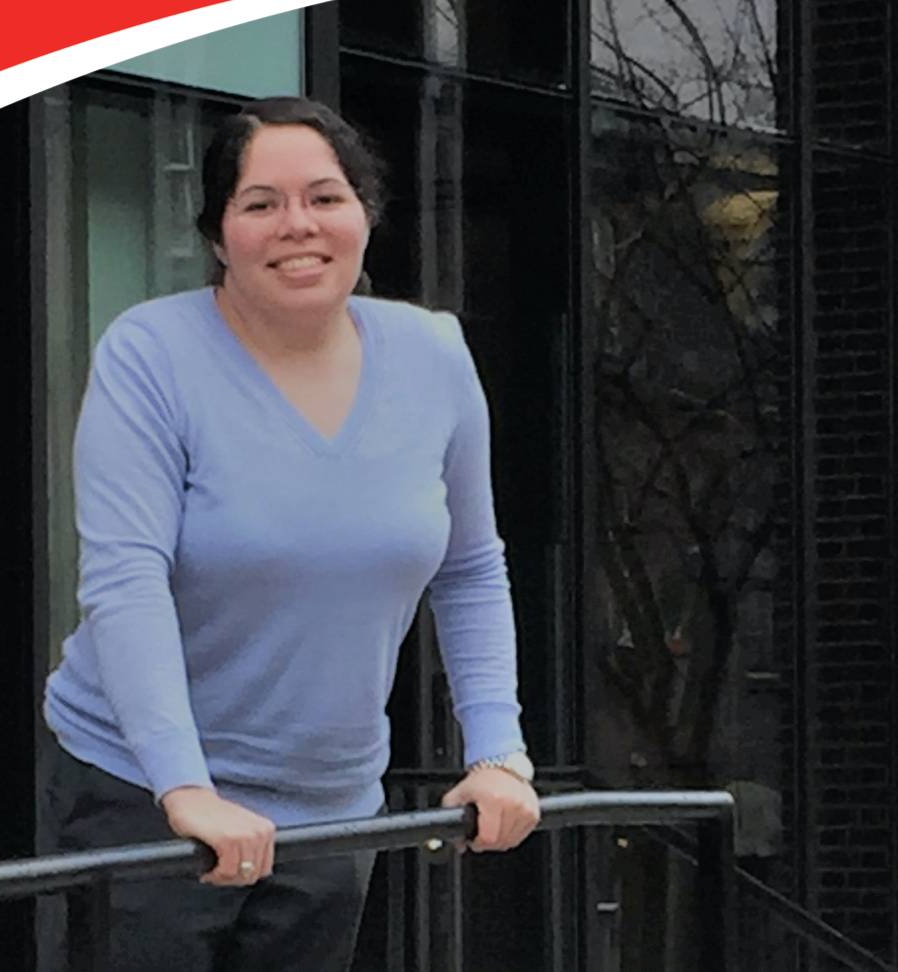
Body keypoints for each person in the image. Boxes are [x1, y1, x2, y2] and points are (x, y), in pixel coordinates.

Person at [38, 96, 541, 971]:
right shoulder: (153, 353)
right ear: (218, 230)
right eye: (260, 203)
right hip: (142, 789)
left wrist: (500, 751)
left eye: (324, 197)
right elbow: (126, 582)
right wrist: (184, 788)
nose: (295, 225)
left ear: (366, 213)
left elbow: (469, 569)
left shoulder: (433, 355)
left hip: (334, 807)